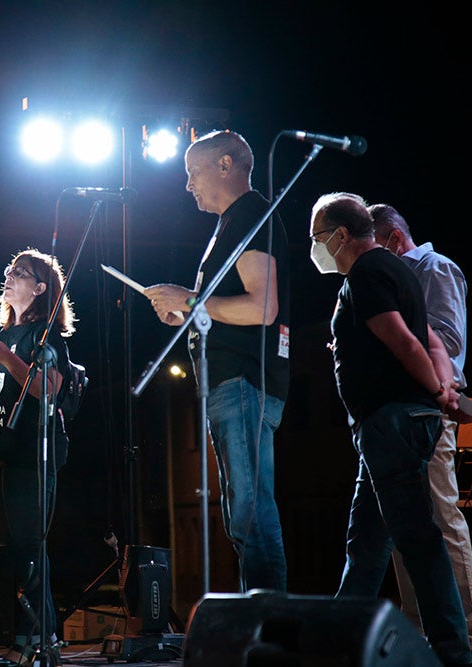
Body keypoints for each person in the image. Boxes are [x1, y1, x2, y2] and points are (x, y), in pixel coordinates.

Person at [309, 192, 472, 667]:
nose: (315, 249)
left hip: (392, 422)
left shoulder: (368, 271)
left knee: (418, 540)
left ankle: (451, 652)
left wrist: (435, 388)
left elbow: (403, 340)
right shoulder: (396, 270)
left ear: (342, 235)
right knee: (366, 542)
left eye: (319, 237)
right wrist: (442, 384)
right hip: (387, 427)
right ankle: (339, 643)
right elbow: (433, 340)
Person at [143, 129, 290, 592]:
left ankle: (272, 625)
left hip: (243, 381)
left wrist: (189, 302)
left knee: (247, 509)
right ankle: (262, 620)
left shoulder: (250, 214)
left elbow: (261, 308)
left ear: (225, 165)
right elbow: (219, 308)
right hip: (230, 383)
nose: (188, 185)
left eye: (193, 172)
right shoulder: (230, 223)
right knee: (239, 509)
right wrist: (188, 313)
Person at [370, 203, 472, 665]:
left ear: (395, 241)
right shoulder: (392, 278)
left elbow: (450, 342)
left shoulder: (435, 269)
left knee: (443, 518)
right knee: (406, 527)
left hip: (429, 410)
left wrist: (388, 332)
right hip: (395, 414)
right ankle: (420, 633)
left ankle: (470, 637)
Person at [0, 248, 75, 655]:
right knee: (17, 549)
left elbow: (47, 390)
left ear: (39, 288)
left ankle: (41, 638)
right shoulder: (1, 335)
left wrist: (6, 358)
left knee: (30, 547)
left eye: (19, 273)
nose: (8, 275)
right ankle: (32, 637)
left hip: (32, 456)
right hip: (1, 452)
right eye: (8, 269)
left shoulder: (45, 335)